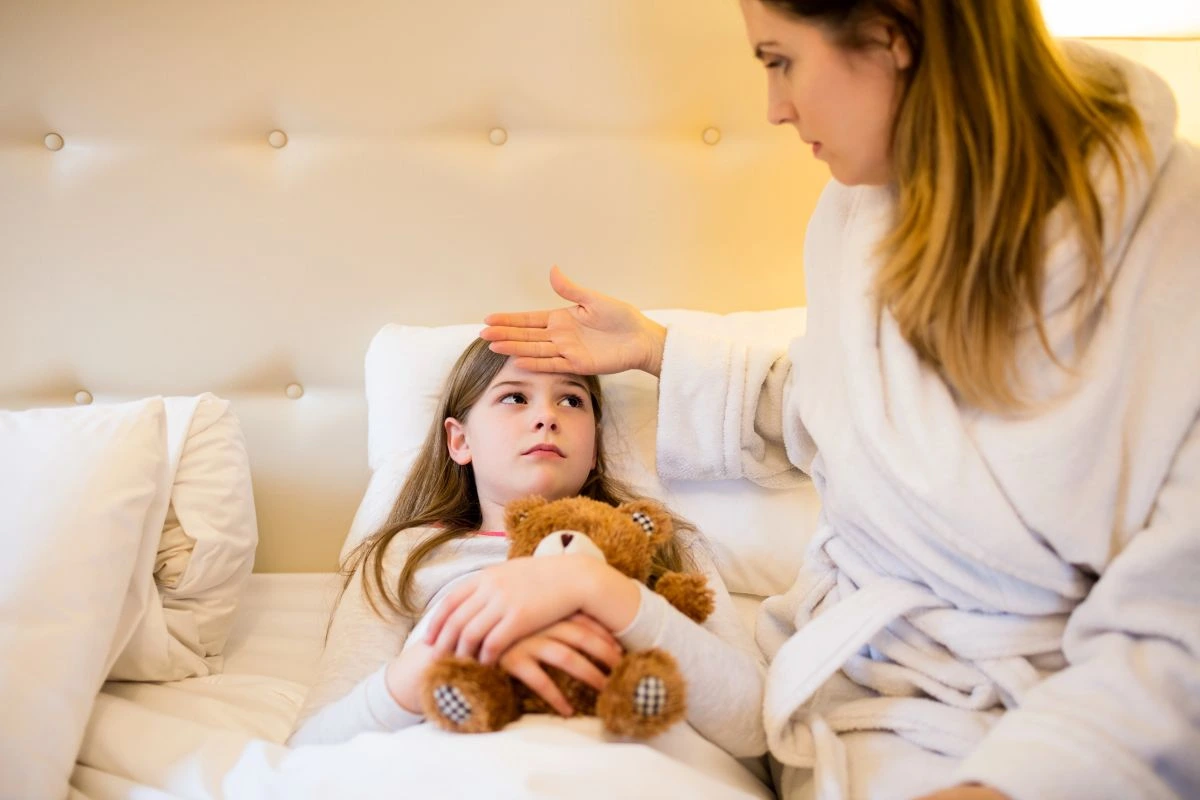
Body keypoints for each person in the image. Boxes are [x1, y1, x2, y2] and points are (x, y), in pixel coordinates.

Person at [474, 1, 1200, 798]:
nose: (774, 108)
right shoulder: (858, 212)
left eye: (780, 59)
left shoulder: (1171, 245)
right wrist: (657, 348)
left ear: (892, 38)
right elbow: (845, 412)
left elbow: (1180, 627)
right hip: (868, 692)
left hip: (1080, 720)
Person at [288, 338, 768, 770]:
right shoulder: (406, 555)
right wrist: (457, 656)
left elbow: (757, 726)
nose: (548, 416)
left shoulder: (659, 546)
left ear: (595, 446)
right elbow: (308, 750)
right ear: (460, 440)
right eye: (514, 397)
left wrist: (598, 588)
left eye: (572, 399)